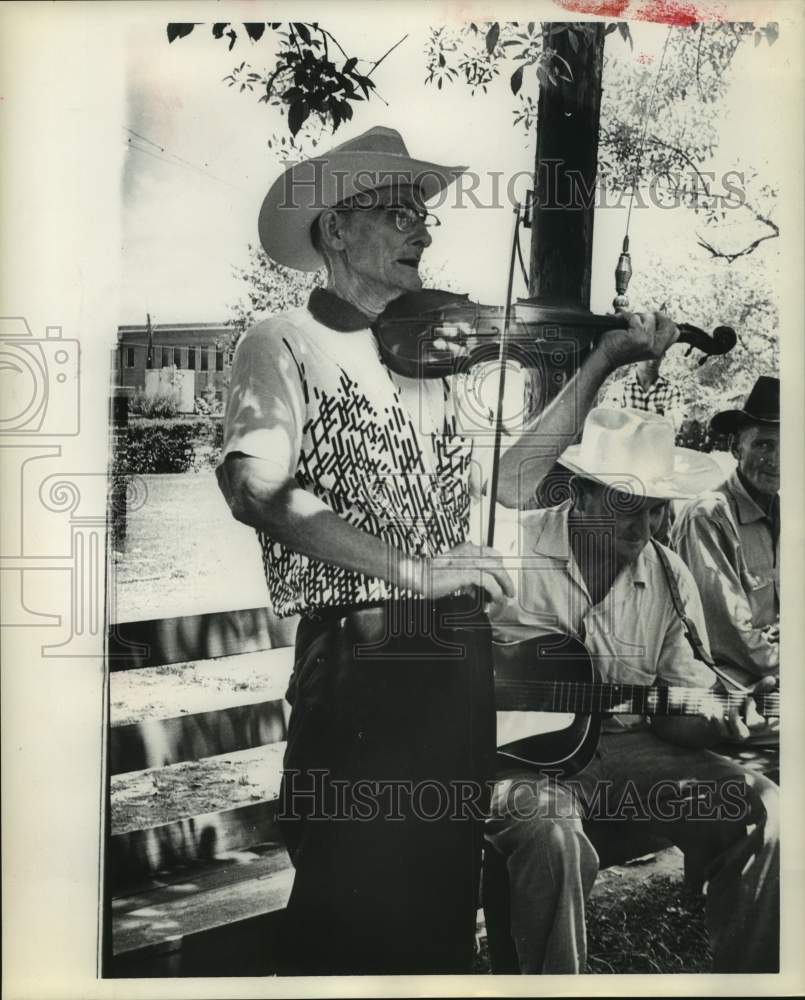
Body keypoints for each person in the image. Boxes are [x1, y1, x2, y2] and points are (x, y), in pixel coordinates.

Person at [216, 125, 680, 975]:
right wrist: (414, 571)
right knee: (348, 910)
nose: (422, 232)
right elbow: (253, 488)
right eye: (398, 214)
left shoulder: (428, 361)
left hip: (455, 662)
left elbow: (513, 482)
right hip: (360, 653)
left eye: (423, 216)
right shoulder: (280, 341)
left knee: (434, 919)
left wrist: (603, 361)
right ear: (335, 230)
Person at [486, 406, 779, 974]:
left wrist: (723, 717)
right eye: (626, 503)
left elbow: (676, 711)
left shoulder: (669, 574)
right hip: (518, 762)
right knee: (552, 836)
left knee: (767, 809)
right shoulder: (512, 549)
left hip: (629, 746)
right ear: (580, 494)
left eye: (656, 509)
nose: (642, 528)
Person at [671, 376, 779, 679]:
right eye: (764, 445)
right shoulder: (708, 516)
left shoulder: (784, 513)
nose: (776, 460)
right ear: (736, 448)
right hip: (727, 680)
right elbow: (728, 639)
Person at [615, 355, 685, 431]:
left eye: (657, 356)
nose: (652, 362)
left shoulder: (671, 390)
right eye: (648, 356)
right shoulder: (619, 388)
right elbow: (611, 424)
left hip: (658, 439)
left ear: (663, 356)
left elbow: (672, 427)